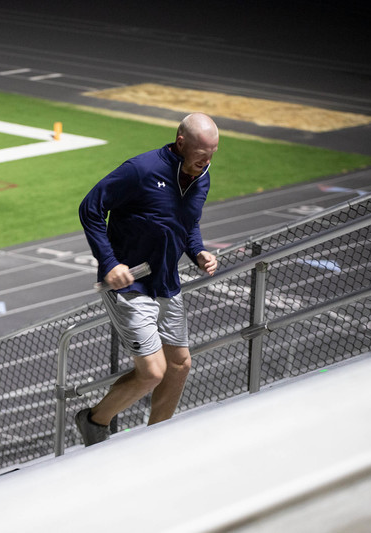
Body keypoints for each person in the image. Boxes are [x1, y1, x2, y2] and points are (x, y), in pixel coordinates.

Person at [76, 112, 219, 446]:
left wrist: (198, 252)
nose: (207, 159)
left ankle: (156, 438)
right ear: (181, 142)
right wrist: (109, 263)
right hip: (131, 284)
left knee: (180, 366)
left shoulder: (202, 176)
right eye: (201, 151)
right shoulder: (141, 170)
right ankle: (94, 420)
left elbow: (188, 221)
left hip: (167, 282)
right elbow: (90, 208)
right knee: (153, 372)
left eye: (213, 152)